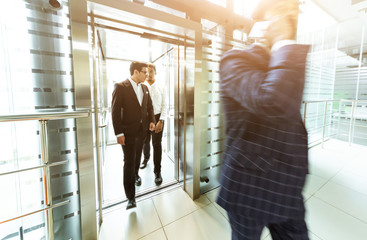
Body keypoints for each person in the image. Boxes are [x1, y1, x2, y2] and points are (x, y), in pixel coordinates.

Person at [216, 0, 310, 239]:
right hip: (249, 188)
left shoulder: (285, 61)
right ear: (261, 24)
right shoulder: (235, 60)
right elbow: (273, 101)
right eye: (282, 9)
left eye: (294, 10)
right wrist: (283, 40)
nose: (292, 16)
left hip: (288, 188)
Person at [111, 61, 155, 210]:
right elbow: (115, 112)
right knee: (129, 162)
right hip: (127, 133)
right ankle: (130, 197)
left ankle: (136, 175)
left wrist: (151, 121)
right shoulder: (121, 87)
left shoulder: (144, 88)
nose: (147, 75)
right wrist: (119, 133)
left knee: (137, 158)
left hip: (142, 131)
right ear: (136, 72)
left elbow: (149, 107)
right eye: (144, 72)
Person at [140, 63, 167, 185]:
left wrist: (161, 120)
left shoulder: (161, 86)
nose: (148, 74)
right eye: (147, 72)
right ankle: (145, 159)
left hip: (158, 117)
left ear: (155, 73)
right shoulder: (141, 86)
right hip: (144, 118)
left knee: (157, 144)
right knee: (145, 141)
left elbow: (165, 105)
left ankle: (157, 171)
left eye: (151, 72)